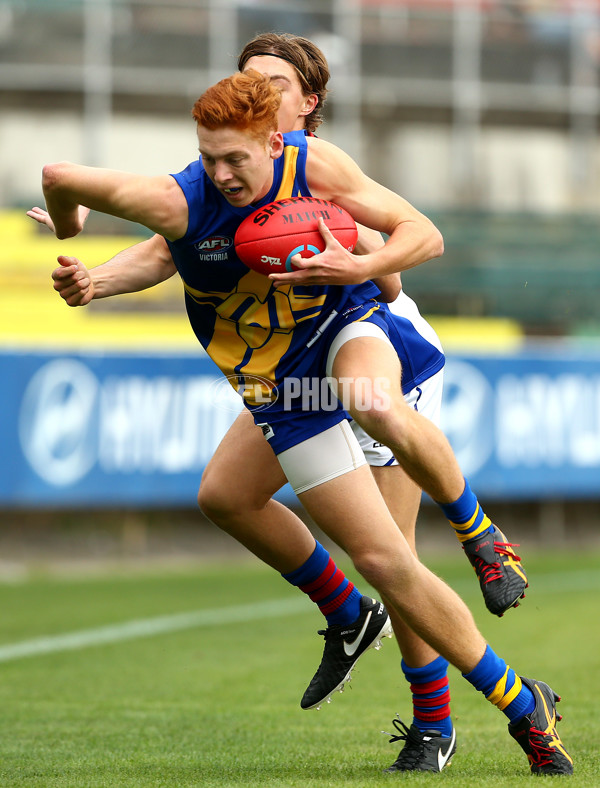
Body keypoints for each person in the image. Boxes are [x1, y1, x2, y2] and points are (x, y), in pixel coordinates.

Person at [34, 70, 572, 777]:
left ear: (275, 138)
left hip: (351, 329)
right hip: (282, 391)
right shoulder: (177, 199)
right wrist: (78, 245)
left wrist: (359, 264)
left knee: (369, 400)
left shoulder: (311, 163)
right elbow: (58, 173)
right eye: (208, 157)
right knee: (381, 562)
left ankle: (480, 543)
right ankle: (523, 702)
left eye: (236, 159)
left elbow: (421, 234)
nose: (221, 174)